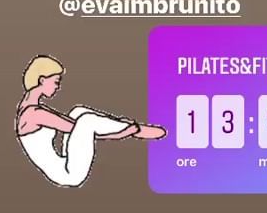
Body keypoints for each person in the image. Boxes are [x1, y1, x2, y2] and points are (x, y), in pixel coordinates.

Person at [15, 55, 166, 188]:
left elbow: (72, 124)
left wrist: (116, 125)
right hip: (68, 174)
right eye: (56, 81)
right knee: (86, 121)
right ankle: (136, 130)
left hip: (64, 161)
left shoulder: (29, 107)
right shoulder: (34, 114)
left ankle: (125, 126)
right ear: (42, 80)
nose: (58, 87)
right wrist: (121, 134)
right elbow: (79, 129)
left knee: (78, 112)